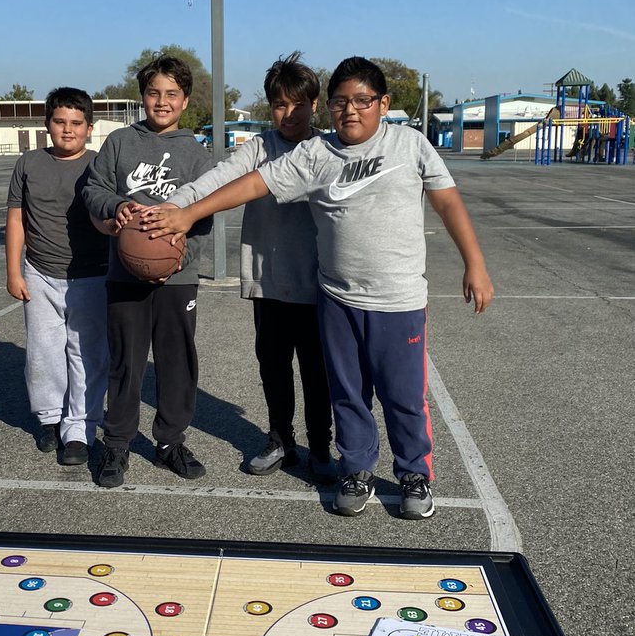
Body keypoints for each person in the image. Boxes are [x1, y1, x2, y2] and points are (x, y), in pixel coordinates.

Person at [141, 56, 494, 520]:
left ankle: (414, 474)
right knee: (346, 394)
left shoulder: (410, 144)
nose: (351, 110)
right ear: (329, 107)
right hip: (337, 297)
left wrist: (476, 264)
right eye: (341, 102)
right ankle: (356, 469)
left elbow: (447, 202)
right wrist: (185, 211)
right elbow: (251, 182)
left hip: (398, 300)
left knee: (403, 396)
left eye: (362, 101)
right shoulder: (316, 155)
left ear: (383, 103)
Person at [167, 52, 335, 481]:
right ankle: (281, 439)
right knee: (273, 367)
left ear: (314, 104)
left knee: (318, 373)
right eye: (280, 104)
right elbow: (218, 178)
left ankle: (321, 447)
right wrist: (177, 205)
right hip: (270, 282)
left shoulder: (329, 149)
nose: (289, 113)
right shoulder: (259, 147)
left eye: (298, 104)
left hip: (320, 284)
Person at [82, 55, 212, 488]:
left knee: (177, 362)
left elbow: (204, 216)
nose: (162, 101)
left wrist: (178, 260)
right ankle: (116, 443)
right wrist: (117, 206)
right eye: (154, 92)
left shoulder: (197, 154)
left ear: (185, 99)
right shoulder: (120, 142)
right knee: (126, 362)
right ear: (142, 97)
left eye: (171, 94)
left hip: (177, 279)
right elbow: (94, 190)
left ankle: (169, 441)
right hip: (124, 273)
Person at [5, 87, 110, 466]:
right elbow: (16, 218)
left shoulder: (100, 164)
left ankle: (80, 428)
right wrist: (13, 269)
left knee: (87, 354)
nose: (68, 130)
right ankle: (50, 419)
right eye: (60, 121)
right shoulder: (29, 163)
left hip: (92, 274)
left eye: (76, 123)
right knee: (43, 353)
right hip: (40, 271)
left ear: (89, 128)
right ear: (47, 124)